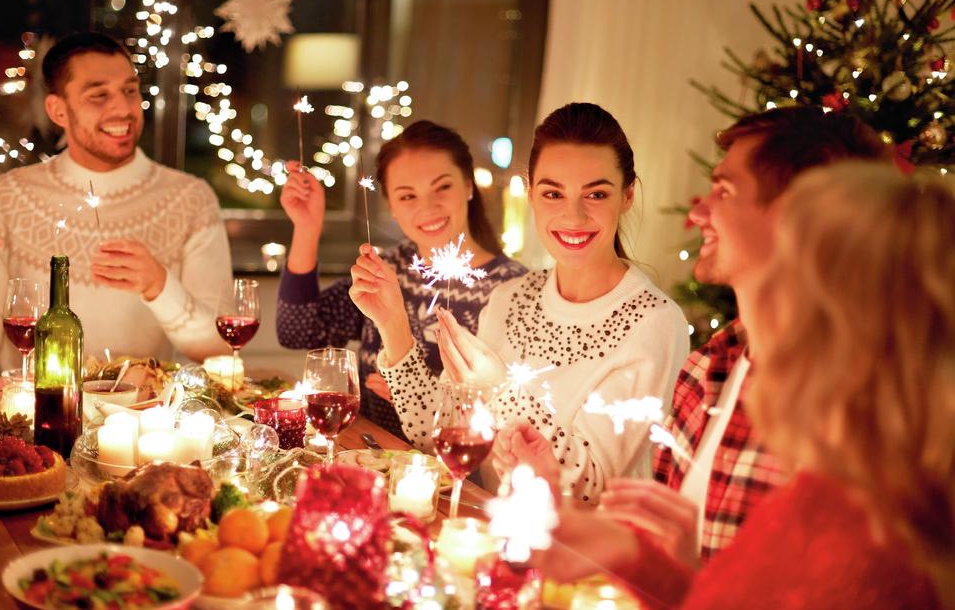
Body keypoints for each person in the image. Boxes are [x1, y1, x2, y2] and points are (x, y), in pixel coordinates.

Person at [541, 165, 953, 609]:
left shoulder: (860, 543)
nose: (757, 308)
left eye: (780, 275)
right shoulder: (839, 485)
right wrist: (634, 556)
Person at [497, 106, 890, 562]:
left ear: (798, 215)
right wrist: (553, 489)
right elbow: (677, 570)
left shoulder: (862, 407)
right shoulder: (708, 371)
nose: (699, 210)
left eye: (724, 190)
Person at [352, 102, 690, 501]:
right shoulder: (511, 296)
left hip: (575, 554)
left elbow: (589, 489)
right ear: (531, 193)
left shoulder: (653, 322)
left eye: (596, 193)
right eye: (553, 193)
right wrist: (394, 327)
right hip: (490, 533)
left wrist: (499, 391)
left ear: (628, 195)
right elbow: (436, 436)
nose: (573, 215)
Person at [0, 32, 232, 367]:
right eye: (98, 95)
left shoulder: (190, 198)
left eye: (130, 91)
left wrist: (159, 286)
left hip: (141, 415)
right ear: (58, 110)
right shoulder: (8, 196)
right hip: (27, 415)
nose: (123, 109)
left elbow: (219, 348)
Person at [275, 120, 526, 439]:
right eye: (407, 196)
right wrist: (307, 227)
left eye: (443, 187)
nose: (428, 207)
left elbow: (510, 417)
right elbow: (297, 331)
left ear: (468, 186)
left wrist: (415, 394)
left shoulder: (514, 290)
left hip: (451, 477)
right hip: (368, 457)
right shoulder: (386, 269)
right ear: (391, 206)